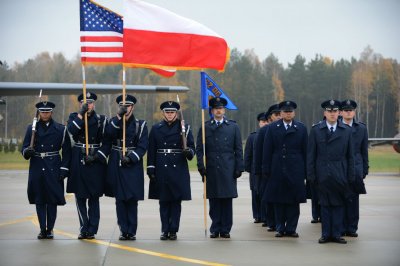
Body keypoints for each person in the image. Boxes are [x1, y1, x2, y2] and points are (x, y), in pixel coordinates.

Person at [21, 101, 71, 239]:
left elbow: (67, 152)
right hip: (37, 165)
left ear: (51, 112)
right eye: (42, 112)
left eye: (47, 112)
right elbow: (24, 147)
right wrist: (27, 152)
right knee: (40, 199)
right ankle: (42, 229)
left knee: (52, 199)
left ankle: (50, 229)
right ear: (39, 112)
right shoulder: (31, 128)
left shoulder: (61, 129)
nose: (45, 114)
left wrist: (64, 169)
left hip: (53, 165)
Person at [307, 100, 354, 244]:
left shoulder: (346, 130)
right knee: (325, 205)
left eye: (335, 111)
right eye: (330, 111)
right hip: (323, 173)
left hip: (340, 172)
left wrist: (350, 175)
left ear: (339, 113)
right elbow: (311, 155)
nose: (332, 114)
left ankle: (337, 234)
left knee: (339, 204)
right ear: (325, 113)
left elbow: (350, 155)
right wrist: (311, 175)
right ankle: (326, 234)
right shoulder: (316, 130)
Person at [196, 97, 244, 238]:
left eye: (221, 108)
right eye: (216, 108)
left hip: (228, 167)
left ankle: (225, 229)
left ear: (224, 110)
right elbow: (200, 149)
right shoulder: (205, 127)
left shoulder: (233, 127)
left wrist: (239, 167)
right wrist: (201, 165)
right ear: (212, 111)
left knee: (226, 200)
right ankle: (215, 227)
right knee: (214, 200)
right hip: (211, 168)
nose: (219, 110)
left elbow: (238, 149)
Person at [147, 101, 195, 240]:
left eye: (172, 112)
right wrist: (151, 167)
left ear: (176, 113)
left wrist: (189, 152)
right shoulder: (156, 128)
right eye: (167, 112)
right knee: (163, 201)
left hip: (178, 166)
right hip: (162, 166)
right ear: (163, 113)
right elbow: (151, 150)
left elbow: (192, 147)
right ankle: (164, 229)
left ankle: (173, 230)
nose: (169, 114)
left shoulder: (184, 128)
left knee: (175, 201)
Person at [103, 94, 148, 241]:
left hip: (132, 163)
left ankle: (132, 230)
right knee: (120, 199)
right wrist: (118, 117)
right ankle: (123, 230)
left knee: (131, 199)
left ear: (133, 107)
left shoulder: (140, 125)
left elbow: (142, 147)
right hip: (116, 160)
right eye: (122, 106)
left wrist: (131, 157)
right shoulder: (113, 122)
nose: (125, 108)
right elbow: (108, 135)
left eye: (128, 106)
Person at [262, 101, 308, 238]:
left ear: (294, 113)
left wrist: (306, 171)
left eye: (290, 111)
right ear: (281, 113)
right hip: (277, 168)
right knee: (279, 200)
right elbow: (267, 150)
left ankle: (291, 228)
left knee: (294, 201)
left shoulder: (301, 128)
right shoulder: (272, 128)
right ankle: (280, 227)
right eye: (285, 111)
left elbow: (306, 151)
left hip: (296, 168)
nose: (288, 114)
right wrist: (266, 168)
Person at [66, 92, 108, 239]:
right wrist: (80, 115)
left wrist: (97, 156)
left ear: (94, 104)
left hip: (95, 158)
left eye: (90, 102)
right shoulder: (74, 117)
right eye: (85, 102)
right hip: (79, 156)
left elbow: (106, 142)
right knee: (80, 196)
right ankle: (84, 227)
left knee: (94, 197)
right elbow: (71, 131)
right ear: (80, 104)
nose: (88, 104)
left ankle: (92, 229)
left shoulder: (101, 120)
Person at [340, 99, 369, 237]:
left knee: (353, 199)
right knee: (340, 198)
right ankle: (340, 226)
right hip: (340, 167)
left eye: (350, 110)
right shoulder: (336, 126)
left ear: (354, 112)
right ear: (341, 112)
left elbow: (364, 151)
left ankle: (352, 228)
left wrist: (364, 169)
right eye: (345, 110)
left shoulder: (361, 128)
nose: (348, 112)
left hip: (356, 167)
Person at [253, 104, 281, 231]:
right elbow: (258, 153)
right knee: (269, 197)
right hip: (267, 171)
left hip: (282, 170)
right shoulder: (264, 131)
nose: (279, 116)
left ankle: (281, 222)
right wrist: (258, 173)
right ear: (270, 117)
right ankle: (272, 222)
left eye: (280, 114)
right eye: (276, 114)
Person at [244, 112, 268, 223]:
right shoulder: (252, 136)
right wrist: (249, 169)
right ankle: (257, 215)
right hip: (254, 171)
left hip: (266, 170)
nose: (265, 124)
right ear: (259, 123)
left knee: (265, 193)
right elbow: (248, 155)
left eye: (266, 121)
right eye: (263, 122)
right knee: (255, 193)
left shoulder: (270, 135)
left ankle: (265, 216)